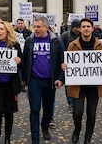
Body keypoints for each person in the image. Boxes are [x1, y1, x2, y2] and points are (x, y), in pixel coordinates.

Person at [62, 18, 102, 144]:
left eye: (88, 26)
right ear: (79, 29)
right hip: (78, 85)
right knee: (77, 112)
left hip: (94, 86)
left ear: (92, 28)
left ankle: (88, 137)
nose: (86, 29)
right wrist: (65, 66)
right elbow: (68, 62)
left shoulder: (100, 45)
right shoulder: (72, 45)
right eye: (83, 26)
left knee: (92, 113)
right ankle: (77, 129)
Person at [21, 16, 64, 144]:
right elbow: (25, 60)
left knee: (48, 109)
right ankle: (35, 138)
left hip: (50, 81)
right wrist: (24, 78)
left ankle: (44, 127)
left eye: (39, 27)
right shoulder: (29, 41)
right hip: (34, 80)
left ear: (46, 27)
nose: (36, 29)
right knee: (34, 109)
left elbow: (63, 61)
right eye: (35, 26)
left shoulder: (56, 41)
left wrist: (60, 79)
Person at [60, 19, 80, 113]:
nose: (77, 29)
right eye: (75, 27)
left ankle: (77, 101)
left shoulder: (82, 35)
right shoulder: (65, 36)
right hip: (68, 64)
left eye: (78, 27)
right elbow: (60, 49)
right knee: (68, 84)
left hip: (80, 64)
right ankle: (71, 103)